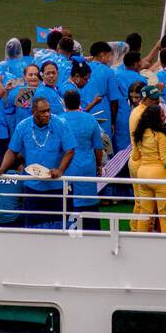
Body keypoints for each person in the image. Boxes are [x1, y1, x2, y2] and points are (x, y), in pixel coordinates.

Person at [0, 97, 75, 230]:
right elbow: (12, 151)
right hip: (33, 186)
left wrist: (60, 170)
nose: (47, 114)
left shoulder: (61, 123)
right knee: (32, 228)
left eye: (48, 110)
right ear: (33, 112)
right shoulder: (23, 126)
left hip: (57, 186)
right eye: (43, 111)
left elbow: (70, 150)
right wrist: (2, 169)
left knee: (62, 229)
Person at [129, 101, 166, 233]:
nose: (165, 118)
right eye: (162, 116)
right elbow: (164, 160)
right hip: (160, 176)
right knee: (165, 214)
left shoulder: (138, 134)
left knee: (144, 213)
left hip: (143, 175)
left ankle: (140, 240)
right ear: (156, 118)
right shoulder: (161, 135)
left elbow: (135, 156)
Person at [60, 88, 104, 230]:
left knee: (70, 204)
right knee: (89, 202)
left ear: (64, 103)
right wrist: (98, 166)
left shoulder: (59, 120)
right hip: (87, 167)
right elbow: (98, 147)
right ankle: (93, 233)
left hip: (67, 168)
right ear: (79, 102)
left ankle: (72, 236)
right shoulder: (90, 119)